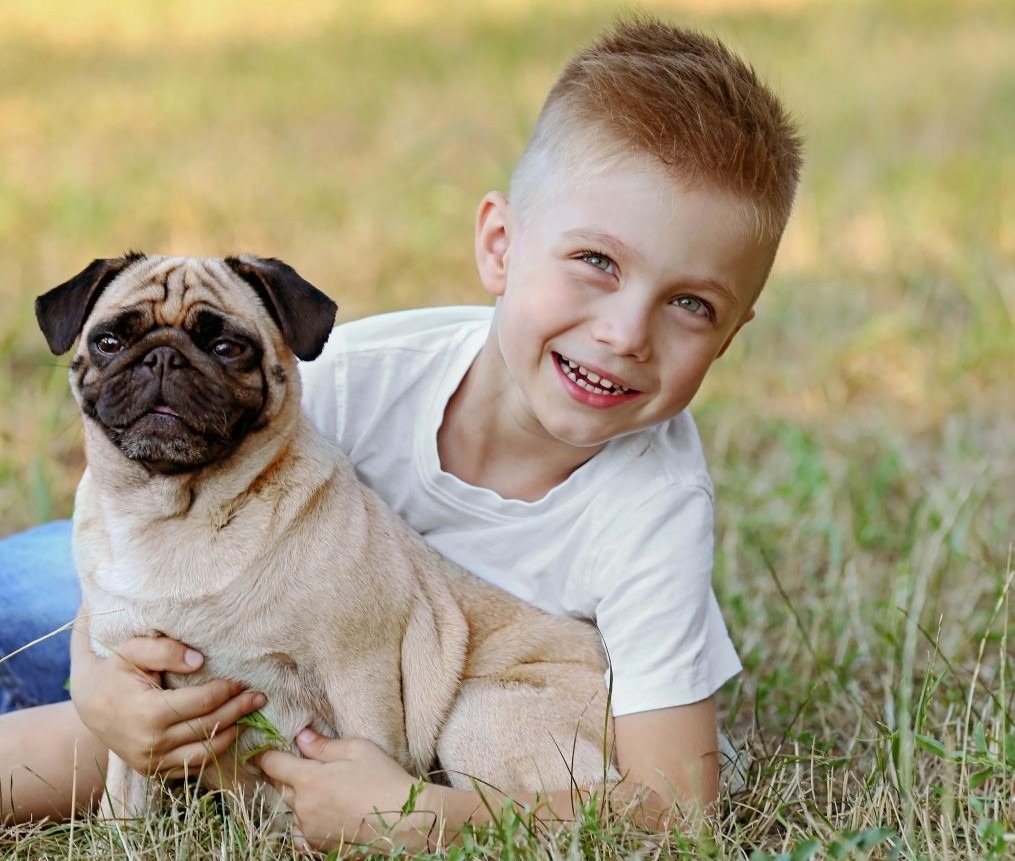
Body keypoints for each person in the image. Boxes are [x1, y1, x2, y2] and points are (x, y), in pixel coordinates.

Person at [0, 16, 802, 851]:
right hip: (199, 592)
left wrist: (420, 818)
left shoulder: (654, 504)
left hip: (451, 689)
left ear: (730, 336)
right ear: (498, 246)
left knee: (175, 716)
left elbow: (677, 809)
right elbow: (114, 561)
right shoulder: (357, 373)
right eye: (596, 262)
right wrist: (100, 689)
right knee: (28, 595)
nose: (624, 331)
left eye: (689, 304)